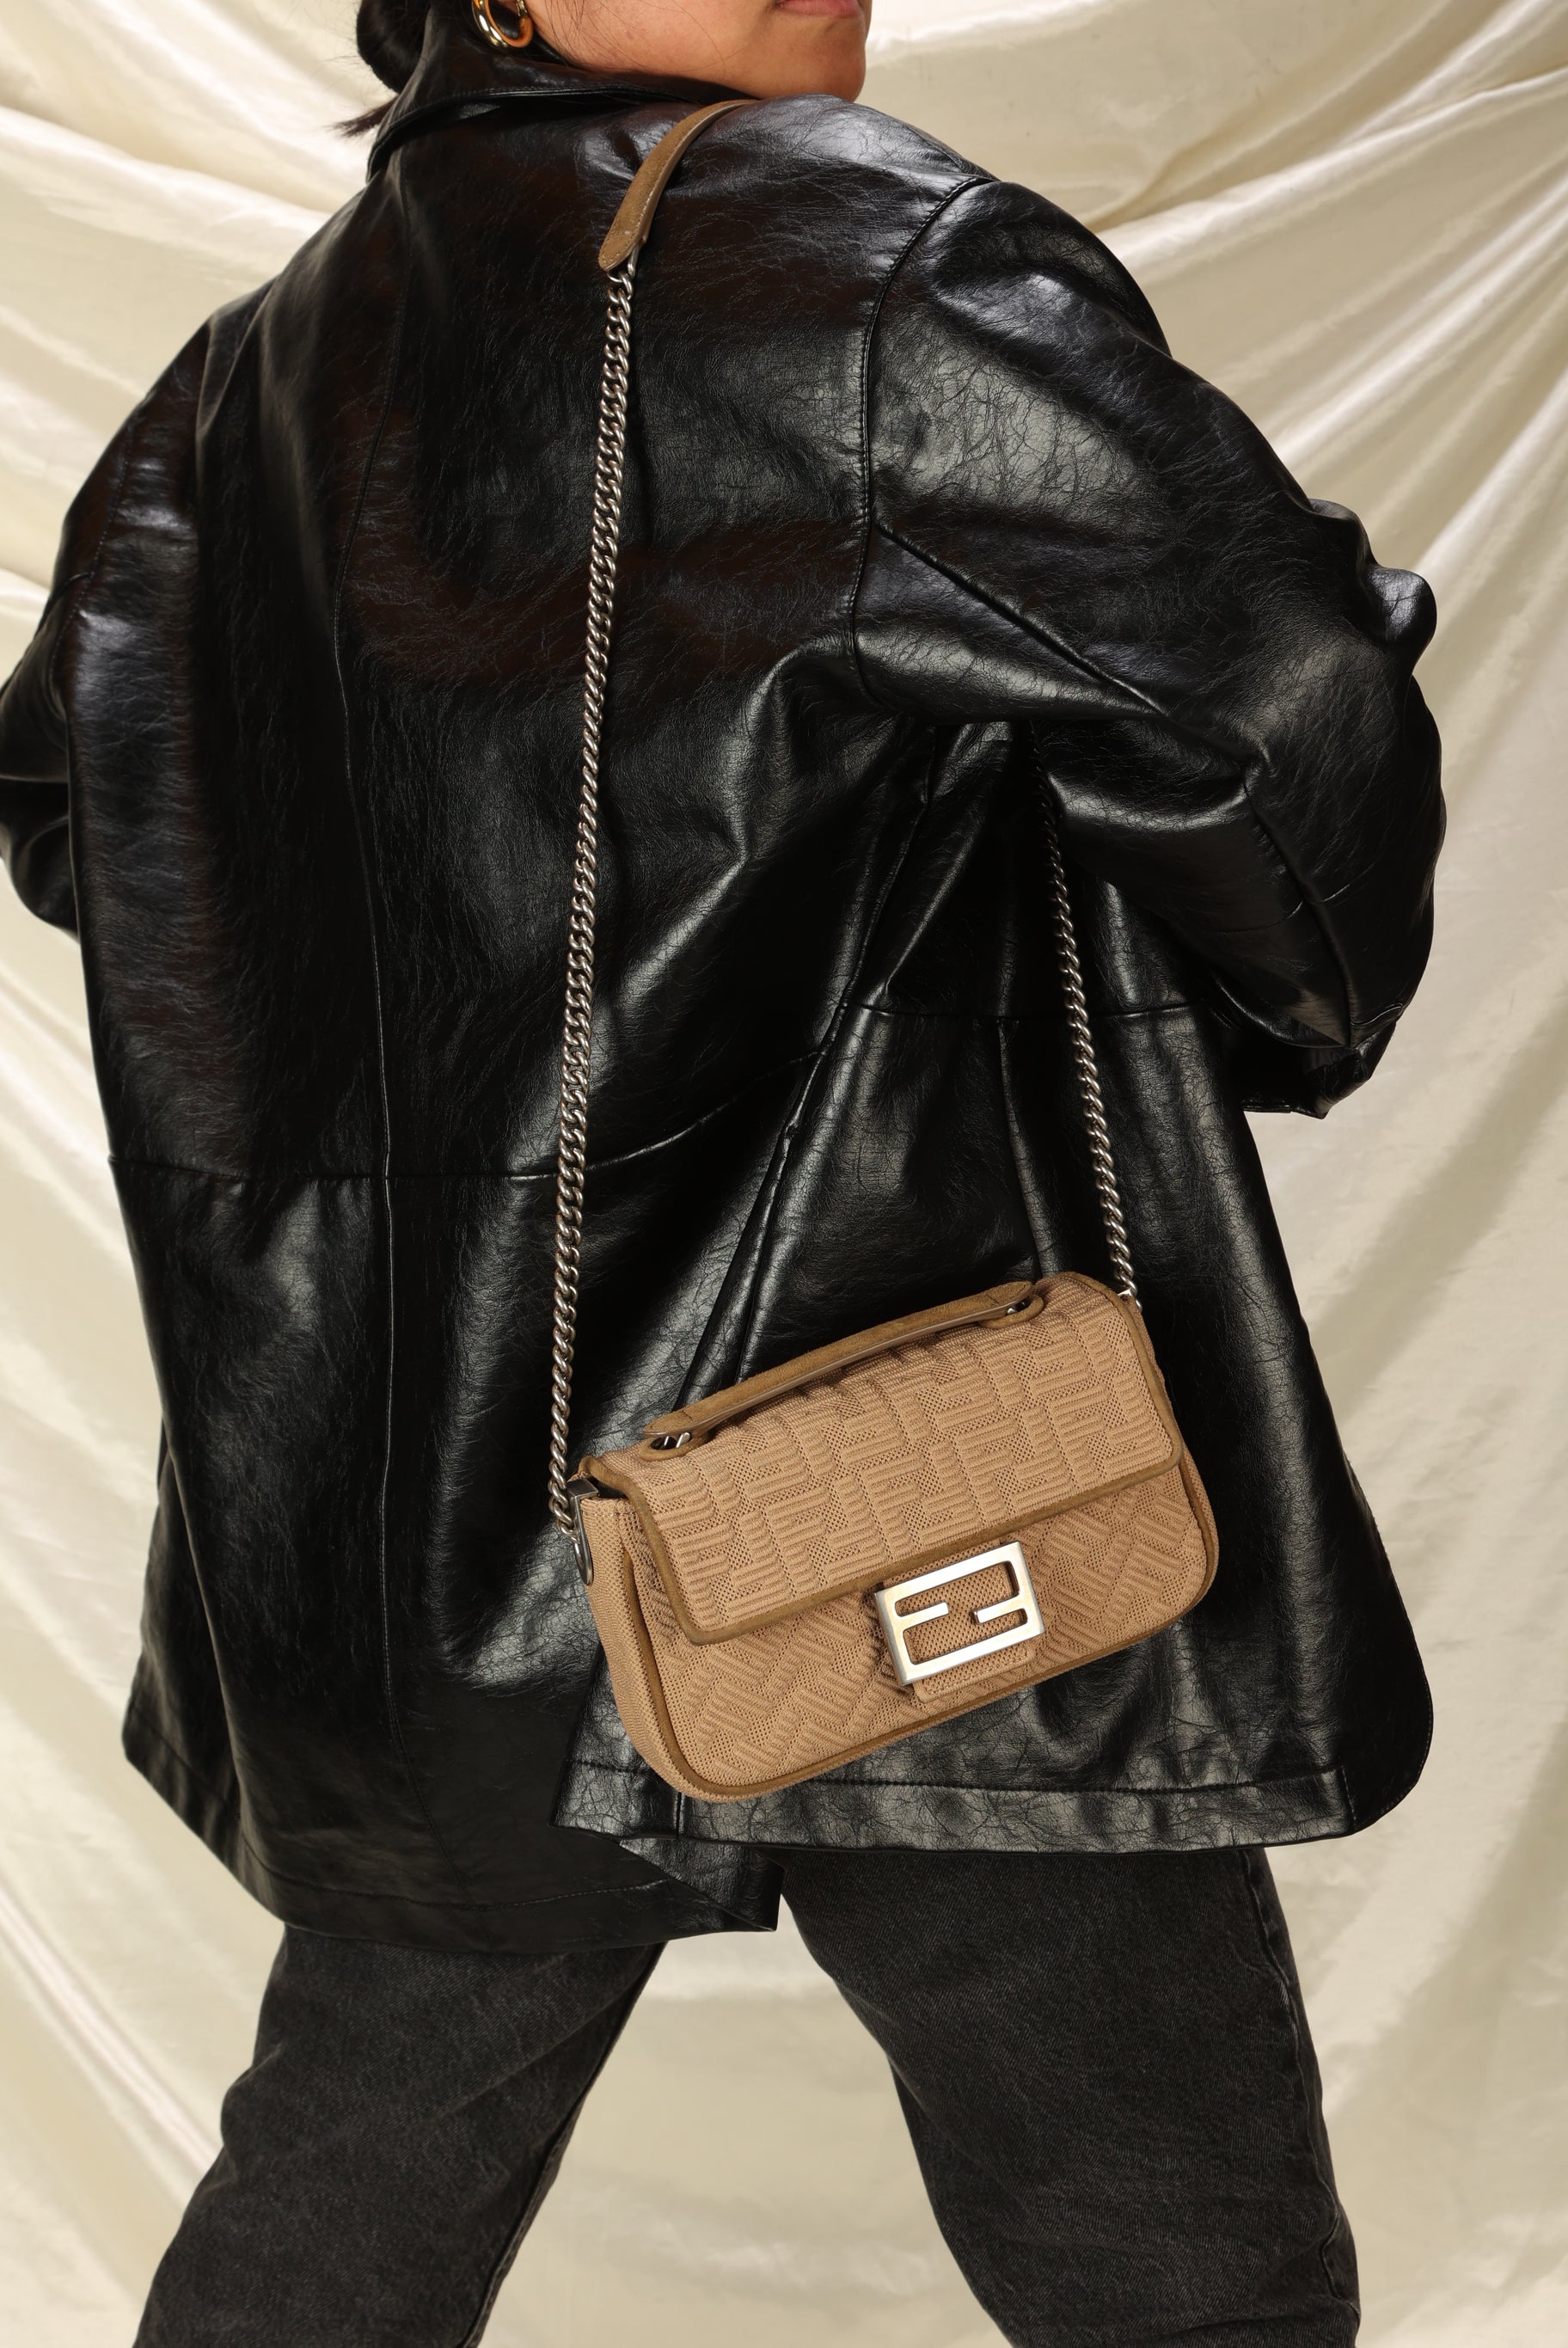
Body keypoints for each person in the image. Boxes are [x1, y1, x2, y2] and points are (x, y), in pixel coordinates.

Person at [0, 0, 1443, 2340]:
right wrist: (1270, 1002)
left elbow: (87, 815)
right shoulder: (870, 264)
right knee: (1180, 2269)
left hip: (441, 1530)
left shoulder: (242, 378)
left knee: (338, 2230)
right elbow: (1278, 712)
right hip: (900, 1459)